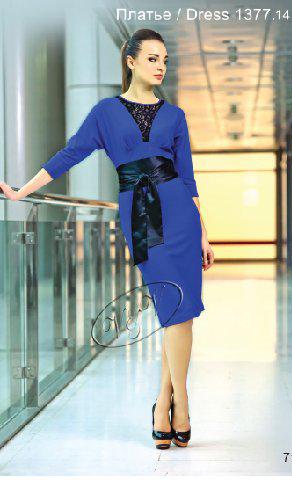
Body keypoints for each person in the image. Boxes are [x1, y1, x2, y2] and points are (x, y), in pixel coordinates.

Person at [0, 28, 215, 449]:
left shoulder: (175, 116)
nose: (161, 66)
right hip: (141, 215)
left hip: (181, 216)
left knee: (182, 312)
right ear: (131, 61)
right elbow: (70, 153)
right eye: (152, 58)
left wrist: (204, 233)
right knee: (172, 307)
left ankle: (166, 402)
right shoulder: (105, 113)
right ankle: (181, 401)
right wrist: (22, 192)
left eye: (165, 60)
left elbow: (188, 179)